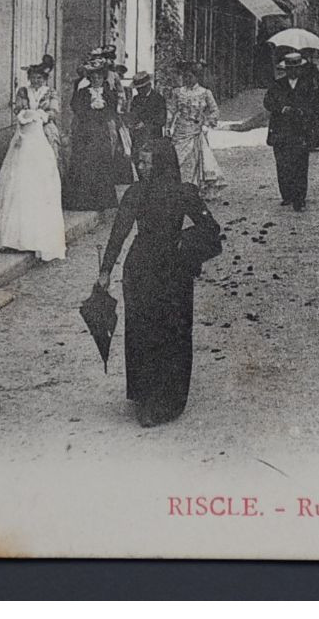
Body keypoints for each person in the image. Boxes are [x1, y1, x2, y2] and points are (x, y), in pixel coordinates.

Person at [95, 140, 220, 427]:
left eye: (147, 163)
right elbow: (119, 233)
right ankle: (146, 398)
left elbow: (211, 229)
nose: (141, 168)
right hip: (141, 270)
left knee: (173, 331)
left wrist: (183, 242)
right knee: (142, 331)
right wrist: (105, 271)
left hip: (174, 271)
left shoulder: (184, 192)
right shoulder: (136, 193)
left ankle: (169, 399)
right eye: (139, 162)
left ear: (162, 163)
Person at [0, 62, 66, 261]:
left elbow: (54, 111)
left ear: (44, 79)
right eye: (33, 77)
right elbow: (18, 108)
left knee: (43, 181)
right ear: (29, 78)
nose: (36, 81)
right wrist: (24, 115)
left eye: (39, 78)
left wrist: (42, 115)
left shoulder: (51, 93)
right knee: (17, 180)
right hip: (25, 135)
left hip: (44, 133)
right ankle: (11, 235)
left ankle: (37, 233)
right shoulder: (23, 91)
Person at [63, 59, 120, 211]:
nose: (96, 80)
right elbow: (75, 108)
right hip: (85, 132)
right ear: (89, 78)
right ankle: (82, 200)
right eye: (93, 77)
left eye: (99, 77)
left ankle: (101, 201)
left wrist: (102, 110)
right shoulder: (82, 92)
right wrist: (90, 110)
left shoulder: (109, 94)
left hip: (101, 132)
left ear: (103, 78)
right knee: (84, 162)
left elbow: (112, 112)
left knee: (101, 163)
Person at [263, 53, 311, 210]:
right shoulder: (277, 85)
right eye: (290, 69)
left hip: (300, 129)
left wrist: (301, 112)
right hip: (281, 129)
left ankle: (300, 197)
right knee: (283, 163)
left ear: (300, 69)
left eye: (296, 68)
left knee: (300, 164)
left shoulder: (307, 84)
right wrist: (281, 108)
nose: (293, 72)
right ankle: (286, 195)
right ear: (286, 69)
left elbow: (313, 105)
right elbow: (268, 102)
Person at [168, 60, 222, 189]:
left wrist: (206, 123)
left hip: (196, 130)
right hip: (180, 130)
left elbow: (215, 111)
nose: (187, 79)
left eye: (190, 76)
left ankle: (195, 187)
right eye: (185, 76)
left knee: (195, 159)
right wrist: (168, 125)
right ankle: (178, 186)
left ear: (197, 77)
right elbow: (171, 109)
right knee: (178, 158)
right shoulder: (177, 92)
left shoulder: (205, 92)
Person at [126, 71, 168, 152]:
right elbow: (132, 114)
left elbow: (161, 120)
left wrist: (145, 123)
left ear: (149, 85)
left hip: (152, 138)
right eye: (137, 89)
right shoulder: (136, 99)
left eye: (141, 88)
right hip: (137, 138)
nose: (139, 91)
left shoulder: (158, 99)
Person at [295, 52, 319, 149]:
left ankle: (312, 141)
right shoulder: (303, 67)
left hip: (310, 95)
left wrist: (317, 91)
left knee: (312, 118)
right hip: (302, 95)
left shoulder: (311, 67)